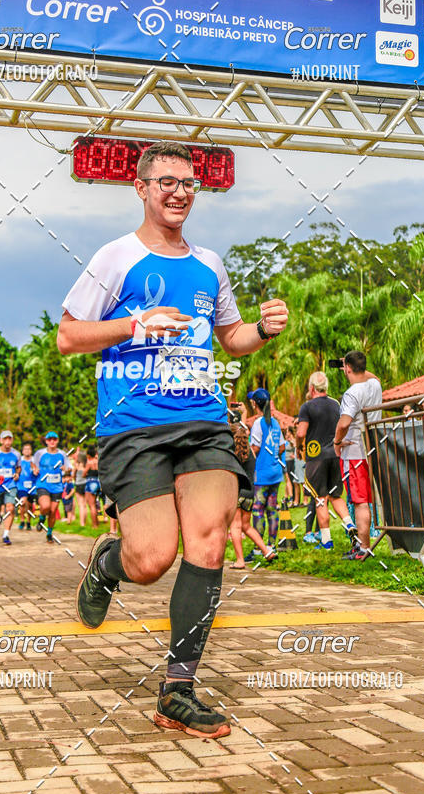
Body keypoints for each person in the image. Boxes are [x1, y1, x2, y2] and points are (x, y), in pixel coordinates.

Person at [57, 139, 288, 739]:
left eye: (189, 182)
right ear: (141, 187)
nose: (180, 191)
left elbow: (230, 336)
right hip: (134, 428)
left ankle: (178, 691)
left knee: (208, 541)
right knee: (151, 559)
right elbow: (68, 336)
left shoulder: (210, 263)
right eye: (167, 181)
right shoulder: (115, 258)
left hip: (205, 421)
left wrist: (261, 329)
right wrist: (136, 323)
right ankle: (110, 562)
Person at [296, 371, 358, 551]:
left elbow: (300, 433)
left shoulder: (307, 407)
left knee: (320, 498)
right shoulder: (336, 404)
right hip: (335, 455)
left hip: (317, 458)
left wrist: (300, 446)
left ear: (311, 388)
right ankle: (350, 526)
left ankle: (326, 541)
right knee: (336, 495)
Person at [334, 351, 383, 560]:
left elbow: (344, 422)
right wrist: (355, 366)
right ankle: (366, 544)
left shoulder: (352, 393)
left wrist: (336, 442)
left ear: (347, 369)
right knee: (366, 499)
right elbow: (374, 378)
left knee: (360, 501)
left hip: (354, 452)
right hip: (371, 449)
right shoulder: (374, 385)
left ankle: (363, 548)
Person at [227, 404, 277, 568]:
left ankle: (240, 560)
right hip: (249, 493)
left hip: (236, 492)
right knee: (246, 526)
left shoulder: (231, 453)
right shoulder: (249, 452)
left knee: (236, 526)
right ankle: (267, 551)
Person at [248, 389, 284, 557]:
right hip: (276, 472)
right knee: (272, 510)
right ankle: (272, 545)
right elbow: (282, 446)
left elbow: (254, 448)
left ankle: (258, 548)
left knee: (257, 509)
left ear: (254, 403)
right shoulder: (275, 422)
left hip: (262, 473)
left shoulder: (258, 423)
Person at [33, 432, 70, 544]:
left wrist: (66, 469)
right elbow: (33, 464)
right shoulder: (40, 453)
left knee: (53, 511)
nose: (52, 441)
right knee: (45, 506)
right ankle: (42, 518)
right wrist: (34, 470)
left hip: (57, 487)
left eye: (54, 439)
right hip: (43, 484)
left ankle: (49, 533)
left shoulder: (62, 454)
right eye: (50, 440)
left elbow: (69, 468)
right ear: (46, 441)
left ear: (57, 440)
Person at [17, 442, 36, 531]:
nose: (27, 451)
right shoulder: (19, 460)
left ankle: (28, 521)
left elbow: (37, 471)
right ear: (22, 451)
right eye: (25, 449)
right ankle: (22, 520)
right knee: (22, 502)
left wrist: (34, 469)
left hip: (32, 486)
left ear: (31, 451)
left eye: (29, 449)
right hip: (21, 485)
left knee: (30, 504)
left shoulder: (34, 460)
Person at [83, 446, 101, 529]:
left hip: (91, 482)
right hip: (98, 482)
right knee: (96, 503)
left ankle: (95, 525)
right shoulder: (98, 461)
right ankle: (97, 522)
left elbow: (84, 473)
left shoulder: (89, 462)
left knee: (92, 505)